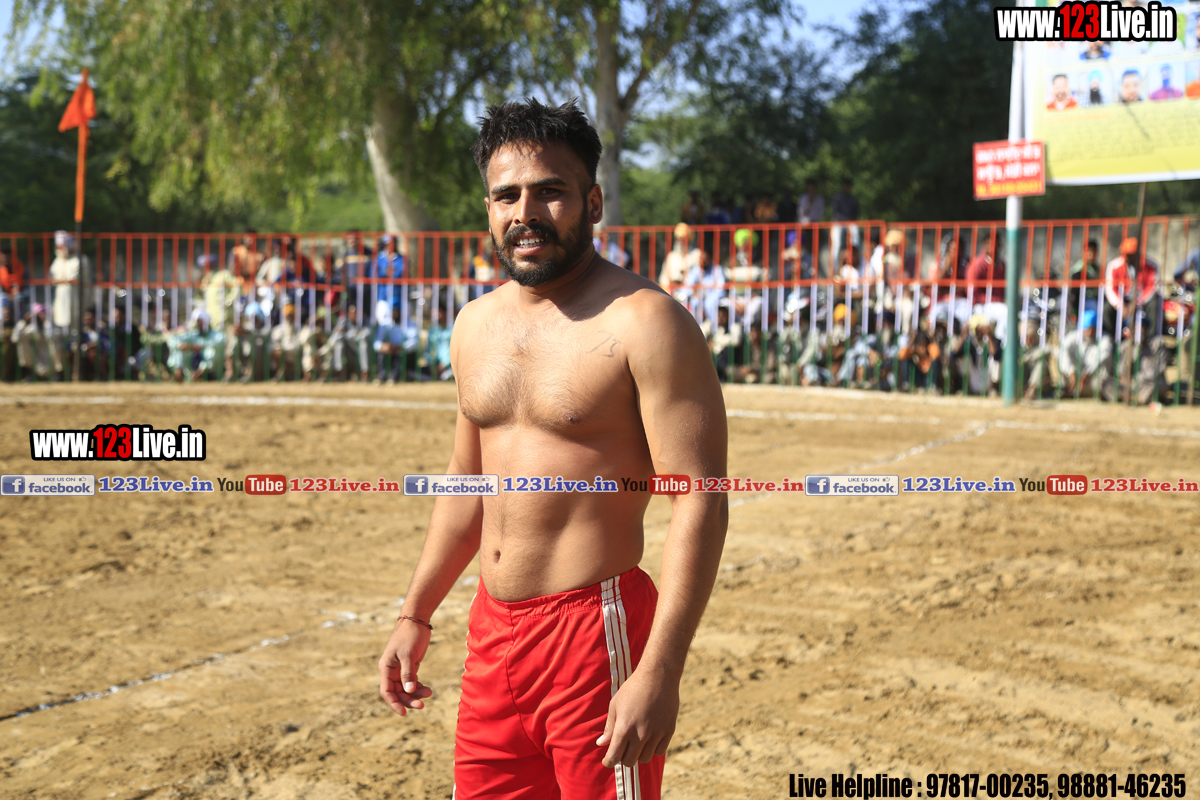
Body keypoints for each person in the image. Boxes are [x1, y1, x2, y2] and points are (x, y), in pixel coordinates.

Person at [377, 98, 728, 800]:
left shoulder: (646, 323)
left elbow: (700, 500)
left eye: (550, 192)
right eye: (507, 195)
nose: (526, 213)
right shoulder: (473, 325)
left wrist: (660, 669)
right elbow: (467, 481)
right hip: (492, 637)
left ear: (592, 202)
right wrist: (417, 611)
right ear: (488, 208)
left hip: (595, 636)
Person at [49, 231, 84, 380]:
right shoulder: (57, 261)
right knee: (57, 339)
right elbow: (53, 278)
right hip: (60, 307)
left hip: (76, 306)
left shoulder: (80, 260)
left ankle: (77, 371)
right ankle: (61, 370)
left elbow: (76, 279)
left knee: (76, 339)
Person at [658, 223, 702, 294]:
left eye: (683, 239)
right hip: (672, 293)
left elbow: (700, 277)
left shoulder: (696, 254)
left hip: (690, 293)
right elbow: (663, 279)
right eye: (678, 239)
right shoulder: (671, 256)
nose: (680, 241)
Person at [830, 179, 860, 262]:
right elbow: (835, 212)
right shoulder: (837, 198)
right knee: (836, 244)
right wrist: (845, 219)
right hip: (838, 223)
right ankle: (834, 266)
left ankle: (856, 258)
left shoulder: (852, 199)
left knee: (855, 233)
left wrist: (851, 219)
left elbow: (856, 212)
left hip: (850, 223)